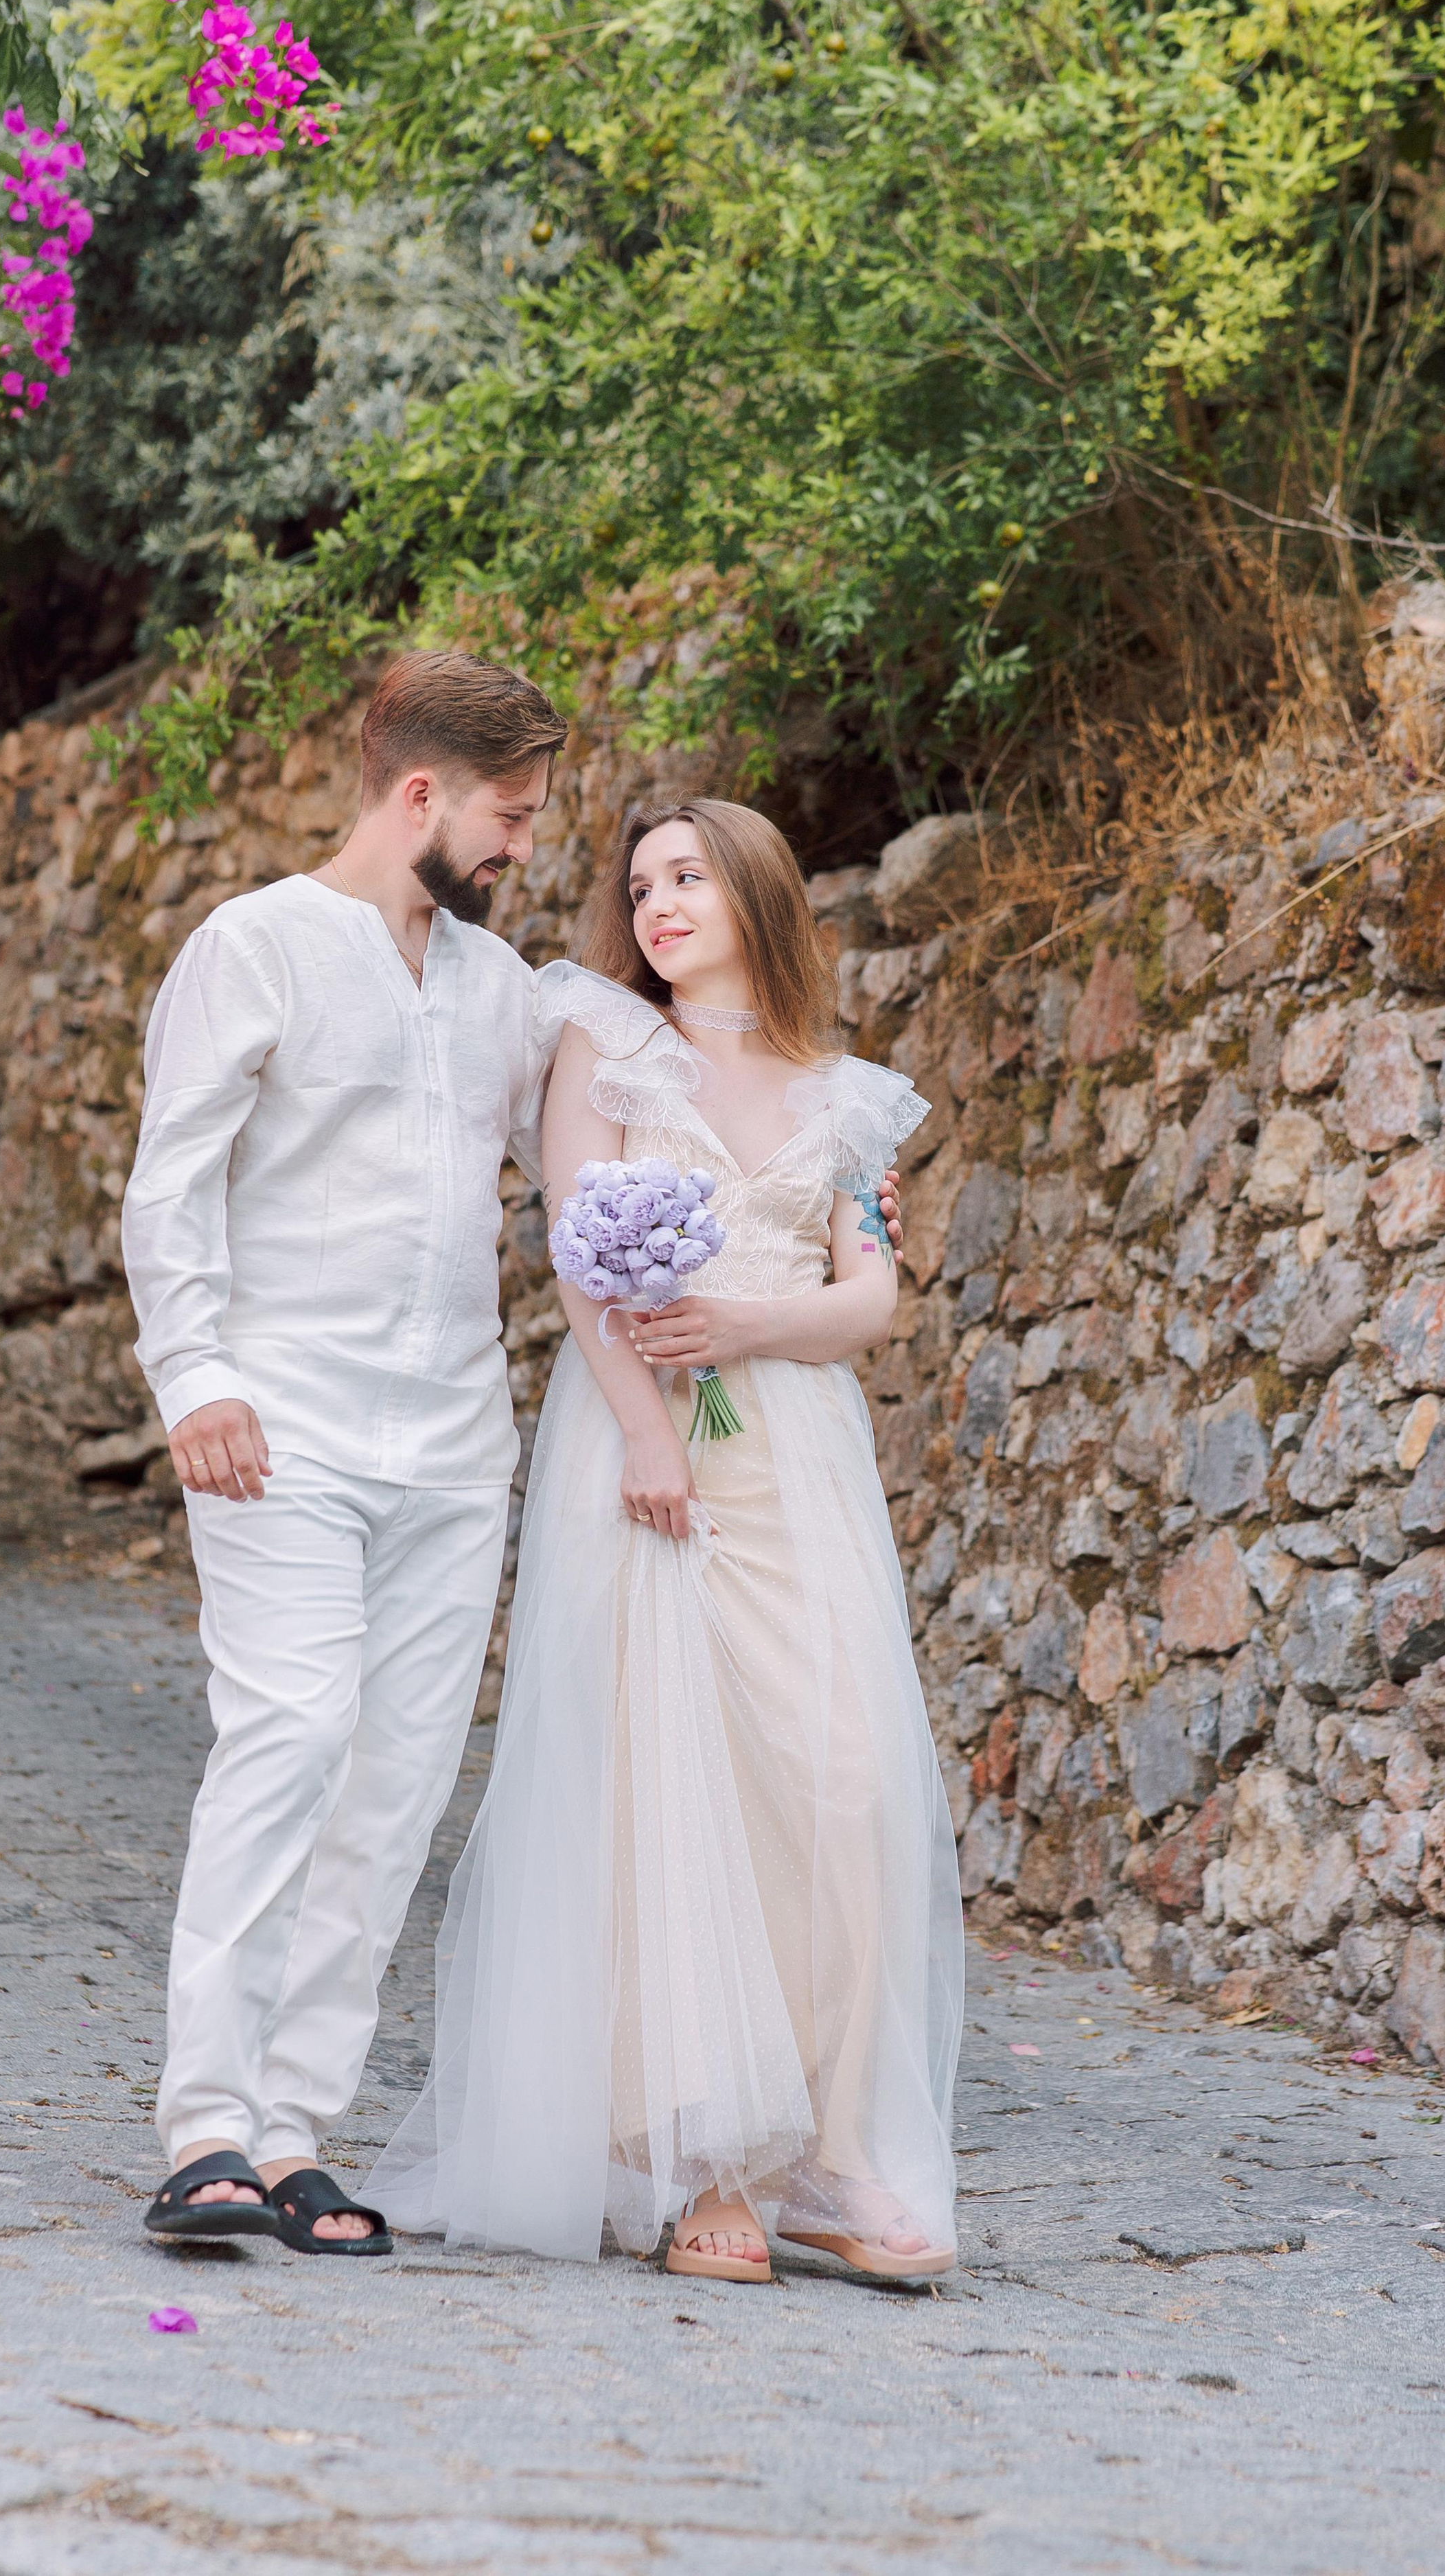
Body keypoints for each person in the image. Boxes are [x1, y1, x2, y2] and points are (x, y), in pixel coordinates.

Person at [367, 796, 962, 2282]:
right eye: (638, 884)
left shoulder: (846, 1095)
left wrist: (754, 1321)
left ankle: (824, 2150)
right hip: (640, 1444)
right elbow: (580, 1256)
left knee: (841, 1785)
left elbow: (870, 1298)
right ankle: (702, 2160)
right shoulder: (601, 1045)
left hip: (795, 1455)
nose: (655, 904)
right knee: (665, 1777)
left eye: (687, 876)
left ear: (755, 890)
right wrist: (643, 1427)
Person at [121, 649, 569, 2253]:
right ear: (418, 794)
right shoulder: (255, 945)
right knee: (292, 1736)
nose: (521, 846)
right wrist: (196, 1377)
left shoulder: (502, 988)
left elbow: (586, 1160)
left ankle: (298, 2125)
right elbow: (172, 1181)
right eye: (508, 815)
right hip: (278, 1426)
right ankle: (208, 2123)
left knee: (392, 1783)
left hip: (455, 1444)